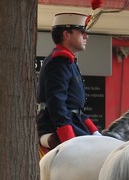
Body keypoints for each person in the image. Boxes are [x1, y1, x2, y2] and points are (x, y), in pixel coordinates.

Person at [36, 10, 101, 152]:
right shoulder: (59, 61)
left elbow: (76, 108)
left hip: (73, 121)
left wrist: (95, 132)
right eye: (81, 32)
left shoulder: (68, 62)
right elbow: (56, 101)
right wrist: (67, 137)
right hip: (54, 124)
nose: (86, 36)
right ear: (66, 34)